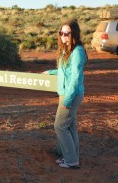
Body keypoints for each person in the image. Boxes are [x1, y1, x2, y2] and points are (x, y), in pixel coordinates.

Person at [42, 19, 87, 169]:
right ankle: (72, 156)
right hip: (66, 93)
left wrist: (67, 100)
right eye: (61, 33)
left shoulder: (77, 52)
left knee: (60, 126)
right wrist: (51, 72)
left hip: (71, 94)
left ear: (74, 34)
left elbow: (74, 78)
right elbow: (64, 71)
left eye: (67, 33)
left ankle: (71, 160)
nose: (63, 36)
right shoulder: (67, 49)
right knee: (69, 126)